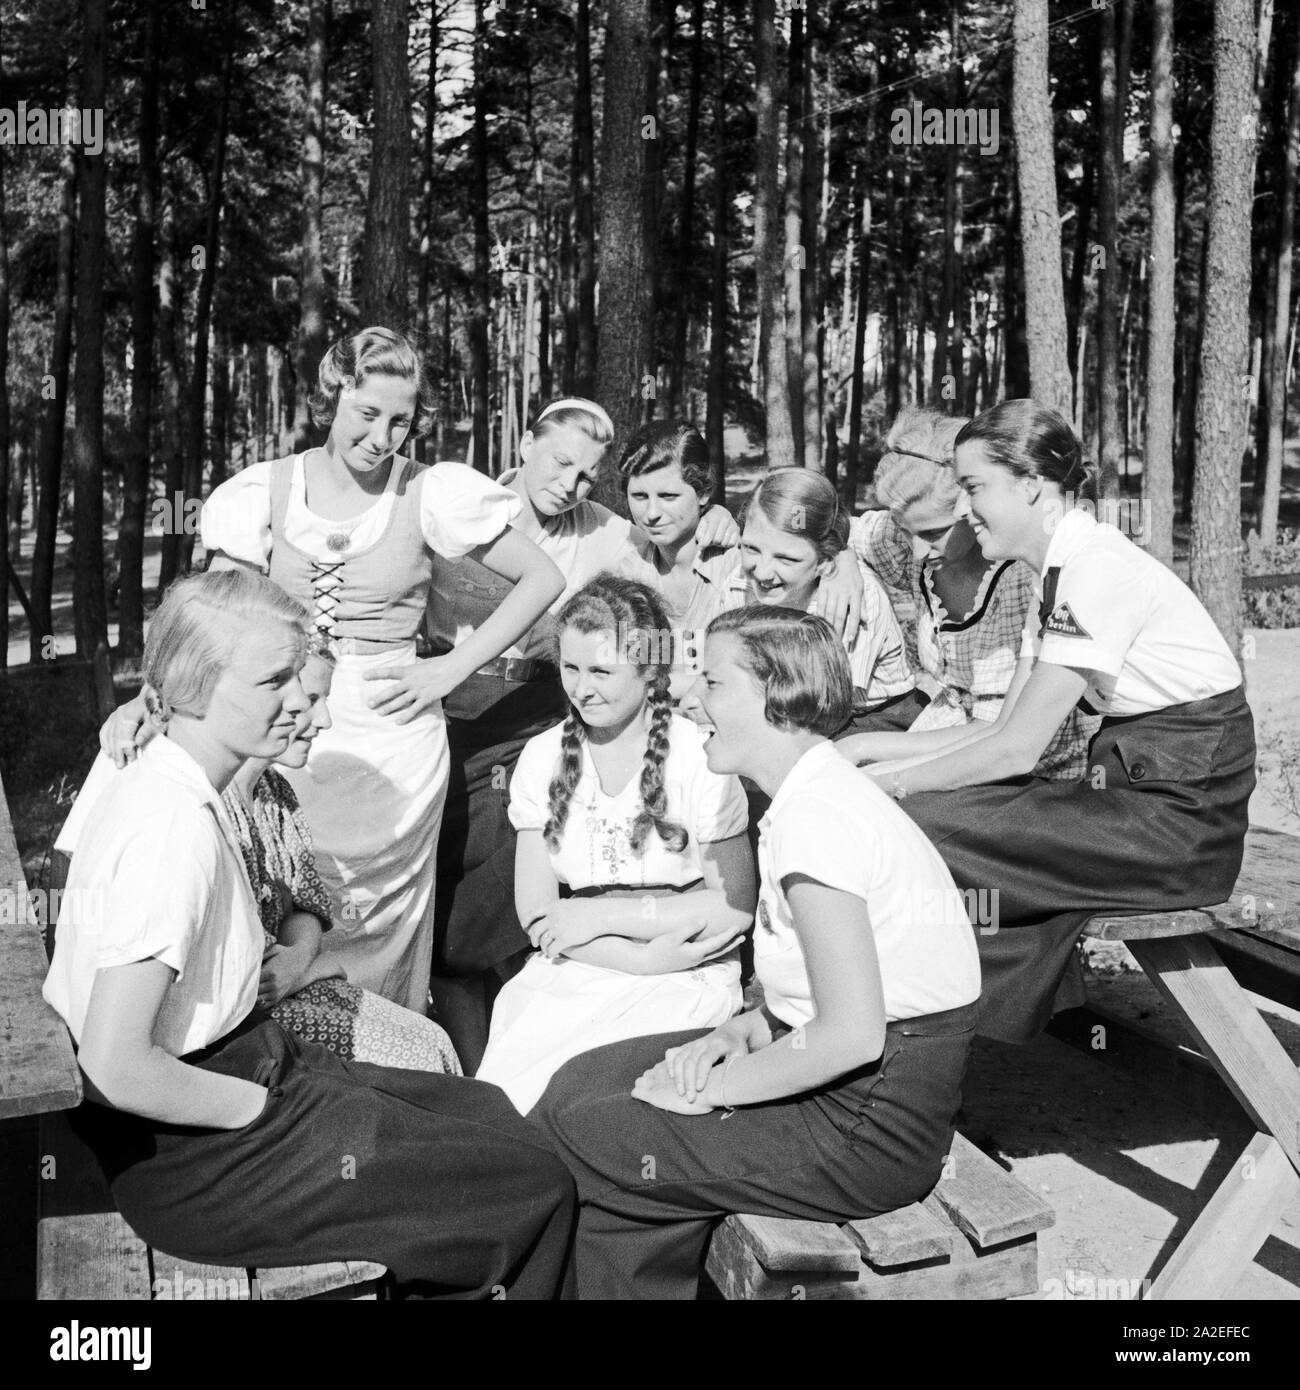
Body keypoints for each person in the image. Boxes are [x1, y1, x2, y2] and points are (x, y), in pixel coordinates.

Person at [43, 570, 575, 1298]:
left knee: (486, 1114)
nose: (302, 702)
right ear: (194, 686)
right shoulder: (170, 829)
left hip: (246, 1066)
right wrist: (263, 1110)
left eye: (300, 675)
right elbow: (113, 1065)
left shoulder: (188, 789)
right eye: (273, 681)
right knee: (531, 1186)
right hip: (195, 1150)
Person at [104, 327, 564, 1014]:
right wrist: (157, 698)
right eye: (367, 413)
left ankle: (386, 1049)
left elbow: (541, 576)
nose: (382, 437)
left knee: (376, 919)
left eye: (400, 421)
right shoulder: (264, 491)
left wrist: (451, 670)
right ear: (334, 395)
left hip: (394, 734)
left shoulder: (430, 491)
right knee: (280, 884)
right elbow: (216, 619)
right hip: (284, 715)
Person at [534, 606, 981, 1300]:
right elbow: (815, 1000)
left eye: (711, 682)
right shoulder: (808, 798)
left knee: (597, 1132)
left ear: (772, 691)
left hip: (869, 1126)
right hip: (842, 1076)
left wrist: (710, 1091)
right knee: (577, 1082)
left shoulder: (818, 819)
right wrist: (737, 1033)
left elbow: (853, 1034)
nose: (685, 697)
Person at [854, 399, 1256, 1042]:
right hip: (1136, 805)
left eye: (973, 486)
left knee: (917, 827)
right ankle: (928, 1023)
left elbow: (1016, 750)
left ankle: (918, 1027)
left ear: (1031, 485)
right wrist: (869, 753)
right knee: (925, 825)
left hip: (1179, 831)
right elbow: (997, 726)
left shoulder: (1094, 571)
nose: (962, 508)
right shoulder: (1059, 570)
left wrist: (888, 787)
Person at [425, 399, 740, 1069]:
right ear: (525, 441)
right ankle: (459, 1049)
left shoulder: (607, 533)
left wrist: (719, 517)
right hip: (444, 708)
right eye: (560, 461)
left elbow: (667, 568)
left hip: (534, 712)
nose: (569, 485)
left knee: (487, 890)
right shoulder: (463, 505)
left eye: (588, 475)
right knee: (435, 879)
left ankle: (493, 1031)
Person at [475, 577, 756, 1114]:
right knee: (512, 1098)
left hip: (686, 967)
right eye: (571, 668)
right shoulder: (542, 756)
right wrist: (632, 958)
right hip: (583, 963)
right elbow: (538, 912)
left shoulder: (699, 754)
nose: (582, 689)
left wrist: (600, 919)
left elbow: (733, 905)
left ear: (650, 669)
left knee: (591, 1101)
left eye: (602, 671)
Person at [223, 637, 461, 1072]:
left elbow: (306, 907)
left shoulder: (275, 793)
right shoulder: (211, 803)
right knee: (417, 1063)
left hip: (291, 989)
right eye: (310, 701)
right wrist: (308, 972)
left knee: (434, 1041)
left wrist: (300, 962)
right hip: (240, 1029)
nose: (325, 720)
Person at [838, 408, 1091, 779]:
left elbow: (1001, 736)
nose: (917, 551)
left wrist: (869, 754)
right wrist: (842, 564)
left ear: (972, 504)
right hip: (943, 728)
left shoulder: (1019, 579)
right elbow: (834, 526)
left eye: (932, 533)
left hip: (1023, 769)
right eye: (906, 531)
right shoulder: (911, 535)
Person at [620, 420, 868, 700]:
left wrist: (843, 557)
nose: (652, 513)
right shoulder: (629, 571)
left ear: (703, 493)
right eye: (639, 496)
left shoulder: (745, 566)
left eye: (668, 496)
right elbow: (628, 668)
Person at [718, 467, 916, 735]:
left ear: (824, 561)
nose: (762, 572)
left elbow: (829, 704)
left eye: (786, 559)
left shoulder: (852, 599)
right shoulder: (738, 583)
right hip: (778, 702)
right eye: (751, 548)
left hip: (866, 716)